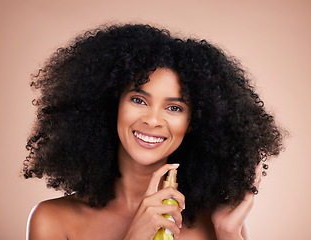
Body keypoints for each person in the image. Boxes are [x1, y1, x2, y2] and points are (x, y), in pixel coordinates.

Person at [23, 24, 283, 240]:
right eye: (138, 100)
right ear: (112, 104)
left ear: (193, 122)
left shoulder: (217, 225)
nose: (153, 120)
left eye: (174, 107)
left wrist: (228, 233)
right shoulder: (52, 220)